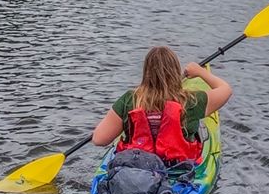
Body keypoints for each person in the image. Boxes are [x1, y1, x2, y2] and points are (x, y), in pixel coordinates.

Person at [91, 45, 232, 164]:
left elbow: (99, 139)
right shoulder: (191, 101)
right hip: (178, 169)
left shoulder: (130, 100)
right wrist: (201, 72)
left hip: (136, 168)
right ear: (176, 71)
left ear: (146, 72)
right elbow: (226, 90)